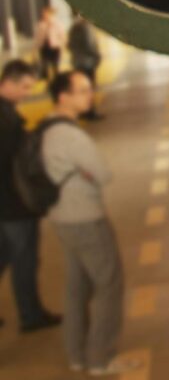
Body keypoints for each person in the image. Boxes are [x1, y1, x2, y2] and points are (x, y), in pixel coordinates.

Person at [44, 72, 138, 376]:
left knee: (76, 286)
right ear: (63, 97)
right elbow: (103, 172)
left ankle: (76, 355)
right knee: (109, 284)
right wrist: (88, 174)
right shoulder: (71, 136)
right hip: (85, 218)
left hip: (62, 217)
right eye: (83, 90)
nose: (90, 95)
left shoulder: (48, 128)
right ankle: (101, 357)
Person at [0, 60, 61, 333]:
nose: (27, 93)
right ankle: (30, 315)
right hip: (14, 204)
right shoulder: (6, 120)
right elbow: (15, 163)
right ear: (7, 83)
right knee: (24, 260)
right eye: (24, 87)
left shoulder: (7, 114)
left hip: (6, 204)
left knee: (4, 255)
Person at [67, 13, 103, 120]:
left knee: (81, 88)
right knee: (89, 88)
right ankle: (90, 111)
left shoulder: (74, 28)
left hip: (77, 62)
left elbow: (69, 45)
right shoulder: (86, 27)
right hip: (88, 62)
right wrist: (97, 56)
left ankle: (83, 110)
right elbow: (90, 44)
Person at [35, 6, 66, 81]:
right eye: (43, 14)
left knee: (55, 65)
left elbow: (62, 37)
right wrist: (35, 49)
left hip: (55, 48)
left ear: (51, 14)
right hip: (44, 48)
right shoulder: (41, 25)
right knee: (44, 65)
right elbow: (38, 38)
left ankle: (57, 80)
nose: (44, 15)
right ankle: (46, 80)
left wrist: (61, 46)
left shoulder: (58, 25)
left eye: (46, 14)